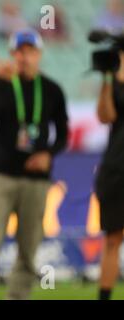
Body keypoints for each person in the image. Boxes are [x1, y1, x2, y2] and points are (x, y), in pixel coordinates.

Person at [0, 29, 69, 300]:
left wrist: (49, 153)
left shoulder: (51, 89)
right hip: (2, 176)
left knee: (29, 247)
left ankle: (18, 296)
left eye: (30, 52)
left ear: (38, 55)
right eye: (19, 51)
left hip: (37, 180)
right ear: (12, 54)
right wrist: (2, 83)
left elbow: (63, 133)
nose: (24, 57)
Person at [95, 49, 124, 301]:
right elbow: (105, 115)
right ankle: (104, 297)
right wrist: (106, 78)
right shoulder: (113, 84)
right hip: (116, 170)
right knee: (113, 238)